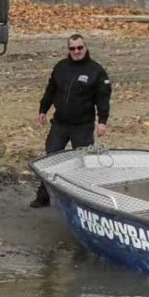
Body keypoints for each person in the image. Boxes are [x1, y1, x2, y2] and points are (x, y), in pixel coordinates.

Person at [30, 34, 112, 208]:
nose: (76, 51)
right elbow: (51, 89)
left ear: (86, 48)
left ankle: (82, 200)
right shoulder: (61, 67)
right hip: (60, 123)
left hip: (82, 126)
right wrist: (43, 109)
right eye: (72, 48)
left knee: (82, 163)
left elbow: (103, 98)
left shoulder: (96, 70)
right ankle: (43, 196)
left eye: (80, 48)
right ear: (68, 49)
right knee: (50, 159)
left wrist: (102, 121)